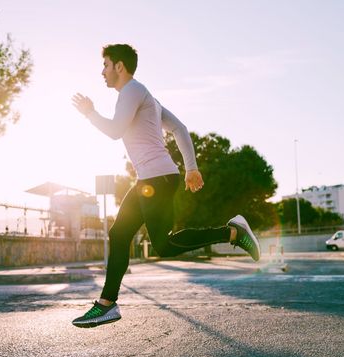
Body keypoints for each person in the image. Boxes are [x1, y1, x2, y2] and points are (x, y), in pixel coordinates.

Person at [71, 44, 260, 328]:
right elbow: (179, 129)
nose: (103, 72)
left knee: (164, 245)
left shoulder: (132, 91)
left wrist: (89, 113)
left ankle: (232, 232)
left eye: (106, 65)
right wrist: (191, 168)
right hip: (150, 179)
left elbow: (114, 131)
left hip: (157, 179)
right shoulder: (145, 96)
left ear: (119, 66)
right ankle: (107, 304)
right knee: (119, 233)